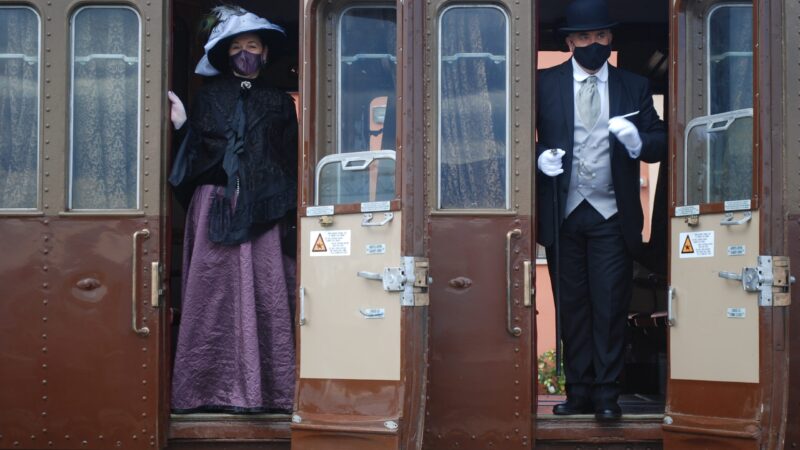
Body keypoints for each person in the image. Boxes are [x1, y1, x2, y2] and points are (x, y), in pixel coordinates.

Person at [535, 0, 666, 421]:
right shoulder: (543, 83)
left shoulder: (634, 85)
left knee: (610, 307)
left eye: (602, 37)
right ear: (571, 41)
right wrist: (537, 157)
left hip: (612, 214)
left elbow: (661, 139)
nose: (595, 44)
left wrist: (637, 143)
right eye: (586, 37)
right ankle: (579, 392)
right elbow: (513, 134)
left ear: (611, 39)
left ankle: (607, 395)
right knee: (571, 306)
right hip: (564, 211)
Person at [167, 6, 298, 413]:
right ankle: (205, 391)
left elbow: (289, 156)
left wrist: (283, 205)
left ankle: (271, 392)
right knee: (213, 295)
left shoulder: (279, 102)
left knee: (268, 294)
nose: (245, 52)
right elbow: (199, 154)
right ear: (227, 54)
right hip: (216, 207)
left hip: (265, 209)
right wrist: (182, 125)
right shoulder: (209, 97)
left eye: (252, 46)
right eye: (238, 46)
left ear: (264, 53)